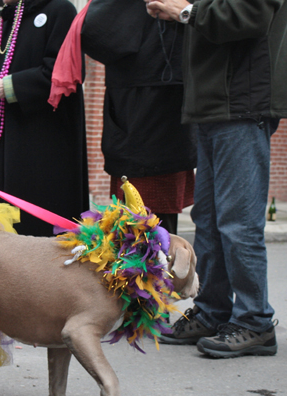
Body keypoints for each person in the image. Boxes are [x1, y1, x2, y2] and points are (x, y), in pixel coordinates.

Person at [145, 0, 287, 356]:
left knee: (239, 223)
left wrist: (187, 11)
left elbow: (252, 13)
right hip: (213, 104)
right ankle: (212, 311)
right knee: (209, 219)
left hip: (243, 101)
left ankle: (255, 321)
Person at [0, 0, 89, 238]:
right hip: (4, 141)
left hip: (42, 145)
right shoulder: (11, 15)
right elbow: (3, 64)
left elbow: (64, 74)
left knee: (35, 230)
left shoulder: (60, 10)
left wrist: (9, 86)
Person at [80, 0, 197, 236]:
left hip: (159, 110)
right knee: (141, 226)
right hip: (139, 109)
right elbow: (92, 30)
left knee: (150, 228)